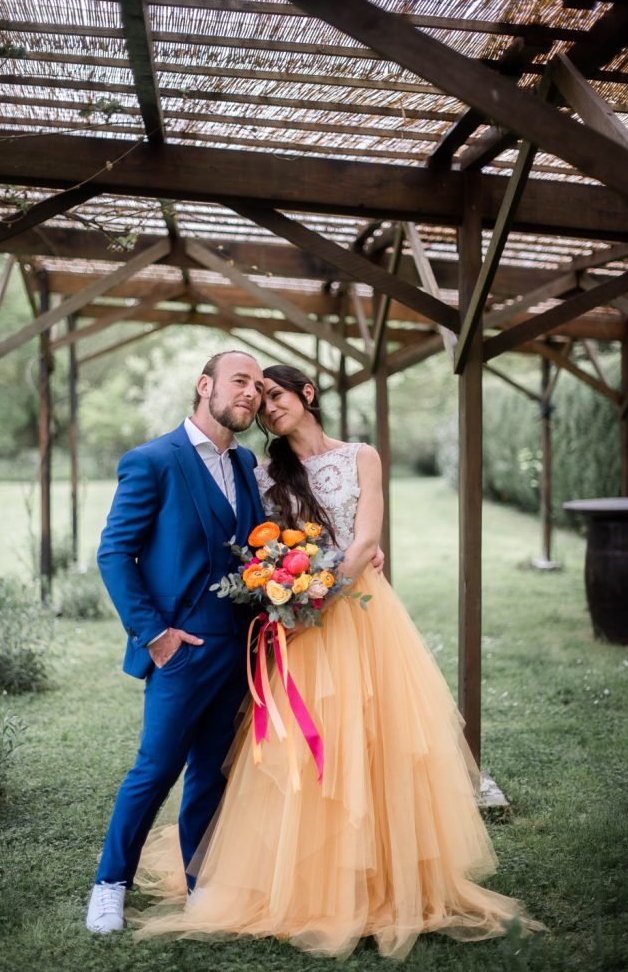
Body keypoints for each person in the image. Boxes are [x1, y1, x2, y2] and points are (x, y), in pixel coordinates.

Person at [130, 363, 542, 959]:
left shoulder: (361, 456)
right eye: (260, 399)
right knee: (302, 747)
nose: (269, 407)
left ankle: (381, 876)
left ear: (308, 394)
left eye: (277, 395)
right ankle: (300, 878)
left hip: (360, 616)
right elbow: (253, 544)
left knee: (377, 741)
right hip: (296, 628)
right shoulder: (261, 469)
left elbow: (368, 539)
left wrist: (316, 595)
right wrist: (286, 602)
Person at [85, 351, 267, 933]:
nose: (251, 394)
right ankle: (110, 884)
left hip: (239, 648)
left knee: (212, 772)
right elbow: (114, 553)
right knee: (156, 767)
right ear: (204, 385)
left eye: (258, 388)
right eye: (240, 381)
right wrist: (156, 636)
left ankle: (200, 885)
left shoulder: (245, 464)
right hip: (180, 649)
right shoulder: (152, 461)